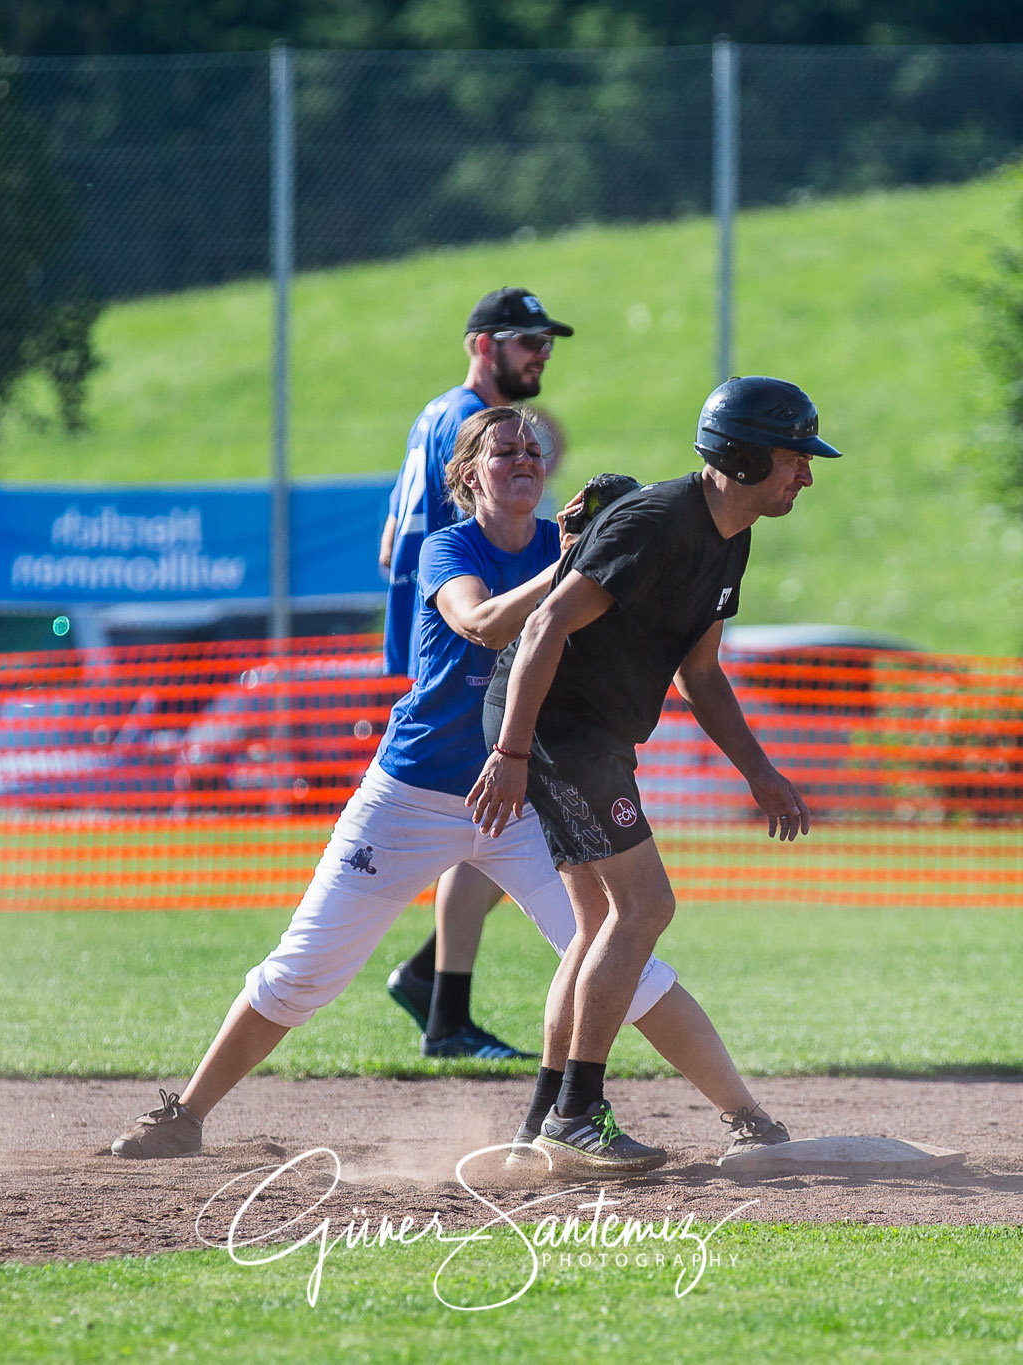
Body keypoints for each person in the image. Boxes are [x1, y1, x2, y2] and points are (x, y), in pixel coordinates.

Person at [111, 408, 791, 1165]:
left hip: (525, 795)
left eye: (533, 449)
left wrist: (609, 550)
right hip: (415, 793)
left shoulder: (562, 542)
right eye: (504, 451)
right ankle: (185, 1114)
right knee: (304, 971)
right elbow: (485, 624)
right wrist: (578, 563)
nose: (524, 459)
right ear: (469, 475)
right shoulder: (451, 546)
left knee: (618, 948)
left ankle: (744, 1117)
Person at [469, 376, 837, 1174]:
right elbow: (544, 624)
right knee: (646, 905)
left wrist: (759, 771)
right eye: (794, 458)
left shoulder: (729, 537)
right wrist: (512, 754)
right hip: (558, 727)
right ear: (744, 457)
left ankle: (543, 1121)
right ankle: (577, 1114)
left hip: (588, 733)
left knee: (600, 920)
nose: (805, 475)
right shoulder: (654, 523)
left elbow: (700, 673)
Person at [377, 287, 573, 1060]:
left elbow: (390, 545)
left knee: (492, 822)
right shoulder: (475, 421)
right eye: (529, 340)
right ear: (483, 345)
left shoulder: (434, 413)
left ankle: (437, 989)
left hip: (441, 634)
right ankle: (440, 998)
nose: (542, 354)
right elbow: (467, 547)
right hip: (470, 644)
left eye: (547, 342)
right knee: (492, 820)